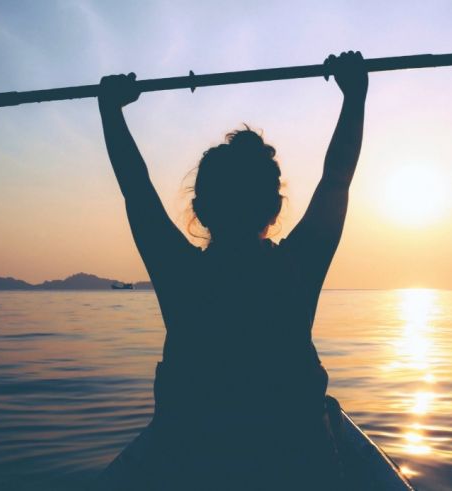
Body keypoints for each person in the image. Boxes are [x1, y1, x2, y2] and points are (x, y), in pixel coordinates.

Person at [97, 51, 368, 490]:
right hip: (298, 471)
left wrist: (110, 111)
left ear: (199, 209)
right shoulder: (298, 267)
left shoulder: (180, 274)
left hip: (192, 470)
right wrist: (354, 96)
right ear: (275, 208)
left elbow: (136, 189)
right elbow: (337, 178)